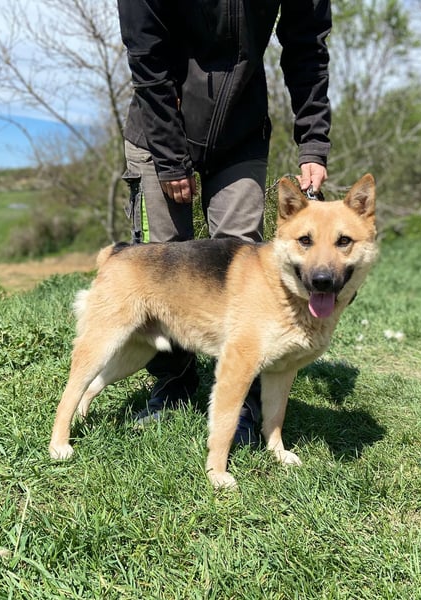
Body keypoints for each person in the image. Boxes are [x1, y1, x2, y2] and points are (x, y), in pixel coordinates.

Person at [117, 0, 332, 445]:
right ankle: (173, 382)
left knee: (243, 257)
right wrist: (170, 157)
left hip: (240, 128)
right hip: (159, 123)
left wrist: (313, 141)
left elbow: (307, 44)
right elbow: (146, 53)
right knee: (160, 263)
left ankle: (244, 397)